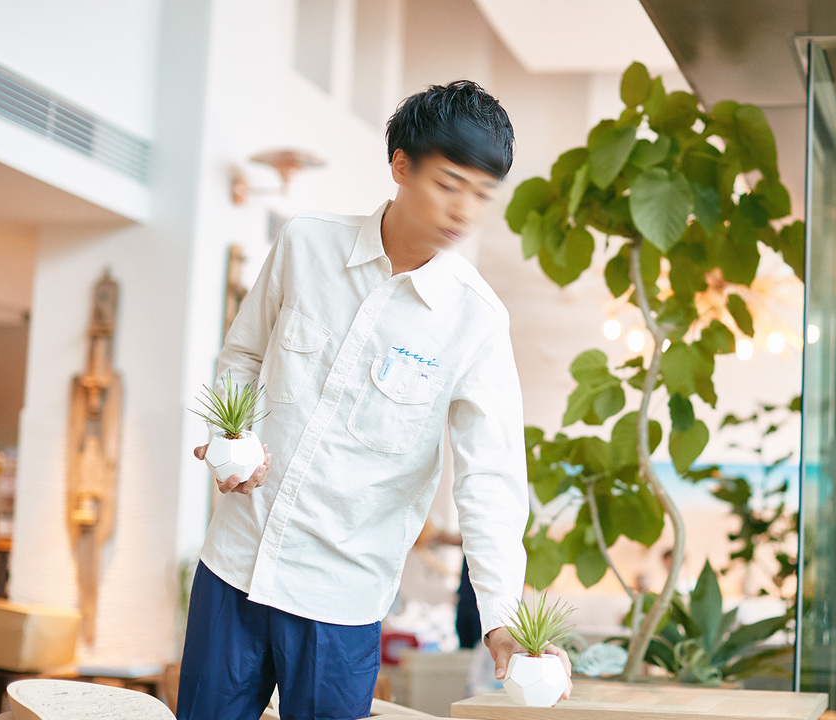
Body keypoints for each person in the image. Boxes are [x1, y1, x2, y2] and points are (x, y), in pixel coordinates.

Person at [177, 81, 571, 720]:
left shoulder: (476, 321)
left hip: (341, 600)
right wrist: (231, 434)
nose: (464, 210)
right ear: (401, 165)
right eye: (449, 184)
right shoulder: (307, 244)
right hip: (234, 565)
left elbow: (491, 479)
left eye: (481, 194)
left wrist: (501, 618)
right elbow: (243, 354)